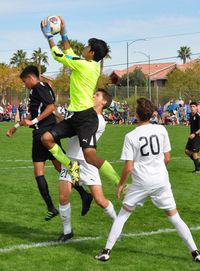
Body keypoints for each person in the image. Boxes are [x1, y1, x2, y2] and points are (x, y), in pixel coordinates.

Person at [95, 98, 200, 263]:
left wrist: (121, 184)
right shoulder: (161, 130)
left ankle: (106, 251)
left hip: (141, 183)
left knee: (122, 215)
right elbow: (167, 158)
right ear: (152, 114)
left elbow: (128, 167)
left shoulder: (131, 136)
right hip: (161, 180)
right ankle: (195, 252)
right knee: (174, 217)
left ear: (136, 115)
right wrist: (157, 168)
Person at [40, 16, 119, 186]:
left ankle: (120, 183)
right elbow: (70, 54)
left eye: (87, 46)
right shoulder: (91, 64)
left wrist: (50, 37)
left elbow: (59, 55)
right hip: (76, 117)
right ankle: (71, 166)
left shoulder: (84, 65)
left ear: (91, 53)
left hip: (86, 119)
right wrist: (64, 33)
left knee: (90, 157)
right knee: (46, 138)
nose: (84, 47)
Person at [6, 65, 92, 221]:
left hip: (44, 133)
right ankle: (82, 195)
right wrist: (16, 126)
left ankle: (55, 206)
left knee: (45, 171)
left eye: (25, 81)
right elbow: (40, 111)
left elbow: (51, 106)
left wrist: (35, 120)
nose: (24, 84)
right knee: (60, 168)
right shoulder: (41, 88)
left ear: (31, 78)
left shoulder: (39, 87)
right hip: (43, 132)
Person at [57, 89, 117, 241]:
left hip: (88, 162)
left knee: (100, 200)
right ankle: (67, 231)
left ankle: (117, 225)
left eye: (96, 95)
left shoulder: (99, 121)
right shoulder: (83, 114)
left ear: (104, 102)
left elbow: (77, 128)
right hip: (71, 160)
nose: (92, 96)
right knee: (63, 197)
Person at [185, 101, 200, 173]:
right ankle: (198, 164)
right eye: (191, 106)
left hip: (197, 136)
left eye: (194, 106)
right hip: (191, 136)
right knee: (187, 151)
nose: (192, 108)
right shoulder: (191, 115)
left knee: (194, 152)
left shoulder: (198, 116)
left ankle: (198, 169)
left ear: (197, 107)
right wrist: (190, 134)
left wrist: (194, 134)